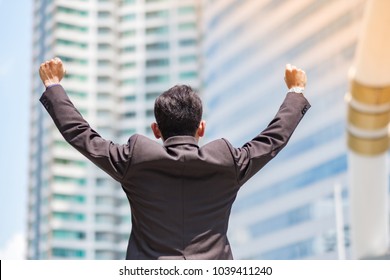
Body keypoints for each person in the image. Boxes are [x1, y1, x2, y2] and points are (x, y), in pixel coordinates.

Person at [39, 57, 310, 260]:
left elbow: (82, 136)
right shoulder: (227, 160)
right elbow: (272, 139)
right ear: (201, 128)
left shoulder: (136, 158)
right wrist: (295, 92)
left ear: (156, 130)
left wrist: (54, 86)